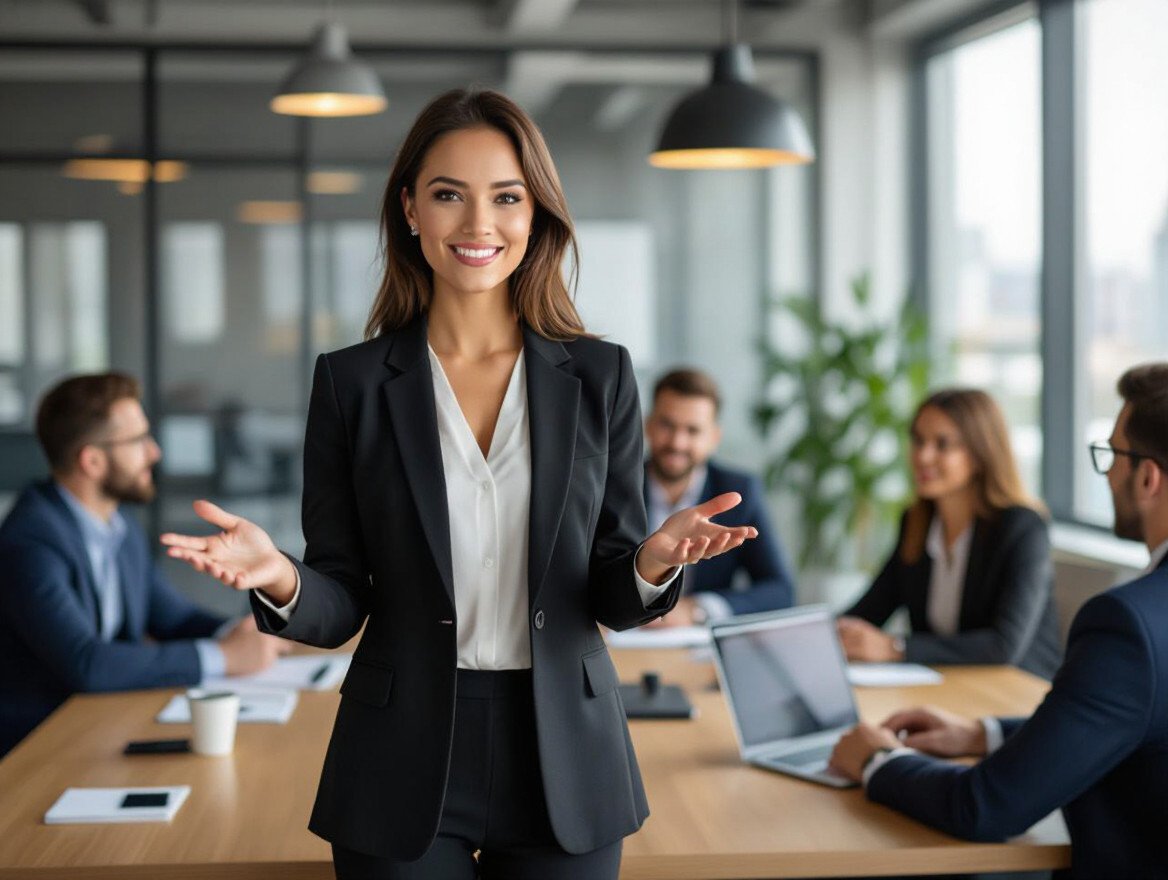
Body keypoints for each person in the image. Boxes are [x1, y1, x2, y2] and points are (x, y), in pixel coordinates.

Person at [160, 88, 756, 880]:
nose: (480, 225)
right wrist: (280, 578)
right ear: (410, 208)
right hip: (399, 753)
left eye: (507, 198)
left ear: (536, 214)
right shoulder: (352, 384)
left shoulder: (601, 376)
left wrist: (653, 562)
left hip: (565, 756)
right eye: (450, 195)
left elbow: (610, 593)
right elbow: (341, 600)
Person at [829, 363, 1168, 877]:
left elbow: (984, 807)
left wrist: (878, 760)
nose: (1107, 472)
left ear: (1146, 476)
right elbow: (1128, 724)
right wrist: (984, 734)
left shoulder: (1127, 623)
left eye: (1112, 455)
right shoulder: (917, 521)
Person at [0, 372, 286, 757]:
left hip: (103, 728)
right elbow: (87, 663)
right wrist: (225, 657)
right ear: (93, 460)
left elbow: (171, 617)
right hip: (38, 751)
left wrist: (241, 631)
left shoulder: (118, 526)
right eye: (137, 441)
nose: (154, 452)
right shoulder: (29, 541)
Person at [836, 388, 1061, 679]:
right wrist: (817, 634)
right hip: (944, 687)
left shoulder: (1022, 528)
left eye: (942, 444)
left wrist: (895, 647)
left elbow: (1002, 646)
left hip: (1017, 694)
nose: (923, 456)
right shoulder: (917, 522)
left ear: (980, 455)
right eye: (918, 440)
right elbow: (870, 610)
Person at [641, 368, 794, 626]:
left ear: (714, 438)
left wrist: (697, 609)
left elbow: (780, 589)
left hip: (694, 644)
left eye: (692, 431)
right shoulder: (613, 485)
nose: (678, 442)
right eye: (667, 425)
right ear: (648, 425)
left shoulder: (738, 491)